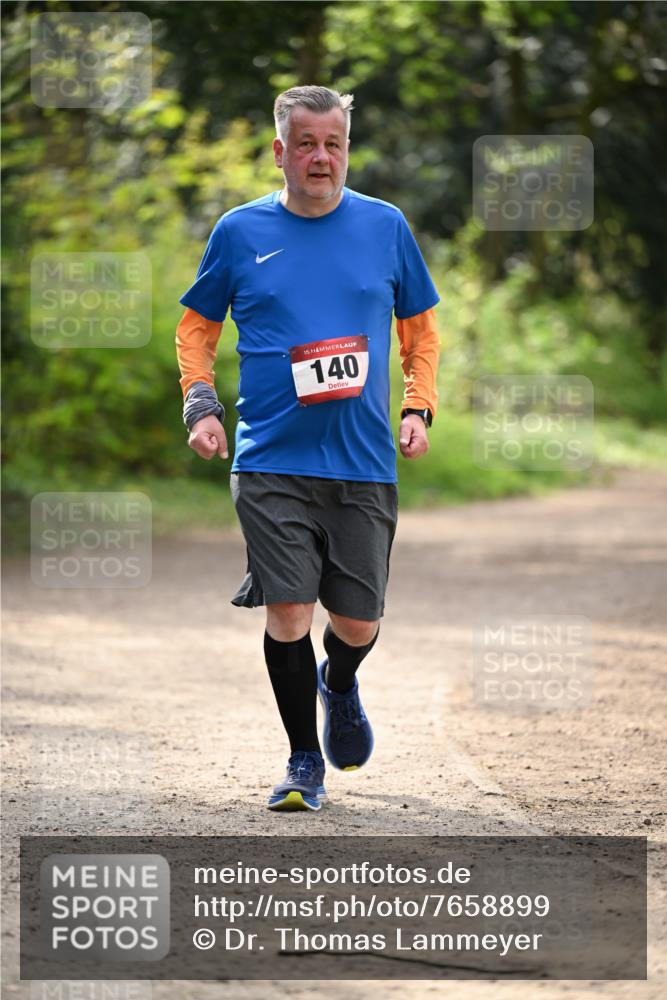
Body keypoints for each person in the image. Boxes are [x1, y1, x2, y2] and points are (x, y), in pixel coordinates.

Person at [176, 85, 440, 812]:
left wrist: (419, 405)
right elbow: (195, 329)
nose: (320, 158)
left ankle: (341, 682)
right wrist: (200, 401)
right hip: (268, 457)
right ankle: (302, 762)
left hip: (360, 459)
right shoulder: (238, 230)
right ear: (279, 150)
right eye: (306, 144)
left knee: (356, 622)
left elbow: (420, 333)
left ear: (345, 149)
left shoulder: (385, 227)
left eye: (333, 144)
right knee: (288, 610)